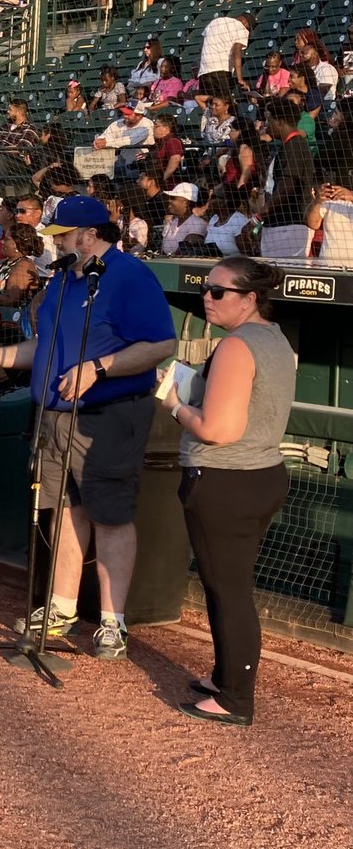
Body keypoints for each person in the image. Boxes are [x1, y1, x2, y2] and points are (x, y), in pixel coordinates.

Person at [0, 195, 176, 659]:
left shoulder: (129, 276)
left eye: (63, 236)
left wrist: (100, 367)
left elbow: (161, 345)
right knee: (63, 510)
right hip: (54, 416)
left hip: (107, 416)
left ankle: (113, 622)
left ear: (91, 235)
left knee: (110, 516)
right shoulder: (63, 279)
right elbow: (44, 347)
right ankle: (61, 607)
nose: (55, 244)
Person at [164, 257, 294, 726]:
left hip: (225, 480)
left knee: (230, 590)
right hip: (260, 476)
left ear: (249, 298)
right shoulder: (273, 337)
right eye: (206, 288)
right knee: (227, 585)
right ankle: (224, 678)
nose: (208, 297)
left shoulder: (238, 345)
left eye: (219, 291)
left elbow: (218, 430)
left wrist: (175, 404)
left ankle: (236, 699)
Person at [254, 98, 315, 258]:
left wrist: (261, 214)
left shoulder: (295, 146)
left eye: (269, 120)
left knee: (285, 272)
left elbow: (288, 185)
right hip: (281, 225)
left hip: (289, 225)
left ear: (280, 122)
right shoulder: (289, 145)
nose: (266, 125)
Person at [197, 13, 253, 98]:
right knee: (223, 101)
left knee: (210, 103)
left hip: (204, 70)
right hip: (221, 70)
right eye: (248, 28)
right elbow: (237, 53)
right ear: (245, 22)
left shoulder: (214, 22)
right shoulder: (240, 28)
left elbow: (201, 47)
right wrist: (240, 79)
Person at [161, 182, 208, 255]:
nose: (169, 200)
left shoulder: (197, 223)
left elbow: (184, 251)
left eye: (173, 198)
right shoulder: (174, 221)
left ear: (186, 203)